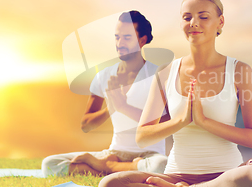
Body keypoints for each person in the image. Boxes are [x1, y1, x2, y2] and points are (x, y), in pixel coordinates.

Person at [99, 0, 252, 187]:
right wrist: (181, 121)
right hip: (175, 176)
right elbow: (143, 136)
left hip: (226, 178)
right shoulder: (166, 73)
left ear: (220, 22)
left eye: (203, 17)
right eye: (187, 17)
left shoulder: (239, 71)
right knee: (109, 186)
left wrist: (204, 121)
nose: (194, 23)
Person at [42, 11, 167, 177]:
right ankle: (116, 167)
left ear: (142, 40)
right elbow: (86, 125)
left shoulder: (159, 75)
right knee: (50, 164)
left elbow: (166, 123)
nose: (120, 43)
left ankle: (105, 167)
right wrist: (111, 109)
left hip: (149, 156)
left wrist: (124, 107)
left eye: (127, 38)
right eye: (117, 37)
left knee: (161, 166)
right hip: (114, 152)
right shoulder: (104, 76)